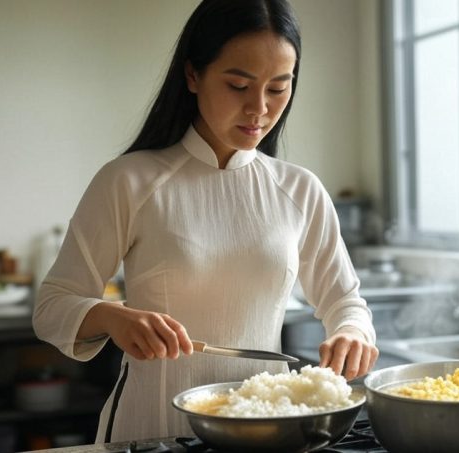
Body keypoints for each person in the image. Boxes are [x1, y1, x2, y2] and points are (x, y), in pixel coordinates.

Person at [33, 0, 378, 443]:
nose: (259, 109)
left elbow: (346, 302)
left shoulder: (300, 190)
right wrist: (112, 318)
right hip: (150, 429)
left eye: (278, 88)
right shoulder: (130, 181)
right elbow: (52, 307)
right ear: (193, 75)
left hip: (267, 430)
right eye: (238, 85)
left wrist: (352, 332)